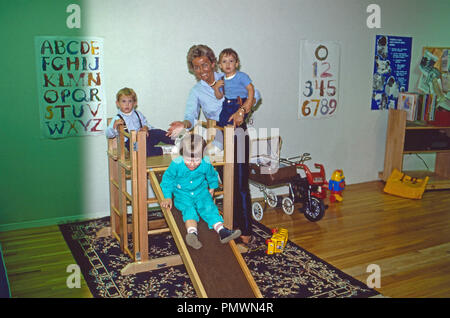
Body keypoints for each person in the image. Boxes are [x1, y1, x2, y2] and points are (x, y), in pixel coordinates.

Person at [167, 45, 260, 246]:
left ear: (213, 63)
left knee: (240, 184)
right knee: (225, 182)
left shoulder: (229, 75)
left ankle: (245, 230)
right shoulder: (197, 91)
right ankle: (227, 225)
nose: (202, 71)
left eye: (205, 65)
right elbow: (190, 116)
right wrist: (183, 124)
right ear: (192, 69)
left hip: (237, 134)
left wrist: (242, 110)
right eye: (196, 67)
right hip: (217, 138)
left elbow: (256, 94)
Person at [160, 134, 241, 249]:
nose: (192, 164)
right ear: (182, 155)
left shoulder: (206, 163)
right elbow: (167, 181)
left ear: (202, 156)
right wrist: (167, 197)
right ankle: (192, 234)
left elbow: (212, 175)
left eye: (197, 160)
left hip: (201, 192)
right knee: (189, 210)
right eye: (188, 160)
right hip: (182, 194)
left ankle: (222, 232)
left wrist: (212, 187)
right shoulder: (176, 164)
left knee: (209, 208)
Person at [106, 87, 175, 156]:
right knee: (143, 152)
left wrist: (146, 128)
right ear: (118, 103)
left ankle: (177, 141)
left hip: (144, 137)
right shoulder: (117, 118)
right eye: (123, 101)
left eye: (130, 101)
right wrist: (114, 127)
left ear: (135, 103)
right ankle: (165, 150)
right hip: (132, 144)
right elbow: (108, 134)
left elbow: (147, 125)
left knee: (158, 132)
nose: (127, 104)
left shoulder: (138, 114)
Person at [212, 48, 255, 128]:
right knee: (222, 123)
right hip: (226, 105)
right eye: (224, 61)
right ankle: (223, 139)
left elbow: (251, 88)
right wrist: (216, 88)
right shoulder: (221, 79)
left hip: (239, 103)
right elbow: (219, 96)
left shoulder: (241, 76)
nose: (228, 64)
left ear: (236, 64)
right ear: (220, 65)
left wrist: (249, 102)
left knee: (235, 124)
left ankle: (241, 139)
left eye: (231, 61)